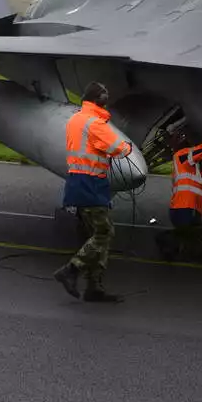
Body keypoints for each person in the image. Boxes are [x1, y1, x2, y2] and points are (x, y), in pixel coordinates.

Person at [53, 81, 133, 303]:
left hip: (78, 183)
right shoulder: (95, 123)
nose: (107, 96)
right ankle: (71, 270)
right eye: (104, 93)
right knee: (103, 233)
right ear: (97, 99)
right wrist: (130, 147)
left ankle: (94, 287)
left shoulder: (76, 119)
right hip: (91, 185)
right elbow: (119, 147)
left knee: (95, 236)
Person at [156, 129, 202, 262]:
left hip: (192, 209)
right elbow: (198, 151)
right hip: (183, 208)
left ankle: (172, 248)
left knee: (194, 236)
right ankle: (165, 241)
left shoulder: (194, 167)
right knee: (193, 235)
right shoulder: (181, 156)